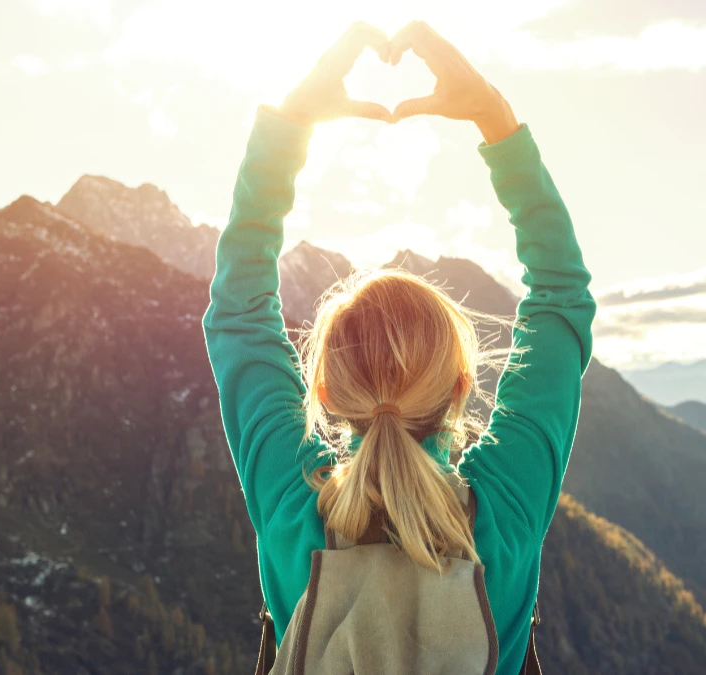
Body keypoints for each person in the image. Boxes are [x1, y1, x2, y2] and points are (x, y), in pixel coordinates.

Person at [202, 19, 596, 675]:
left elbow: (238, 312)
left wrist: (290, 124)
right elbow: (562, 296)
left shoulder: (294, 511)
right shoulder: (501, 513)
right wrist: (493, 120)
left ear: (322, 392)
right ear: (462, 387)